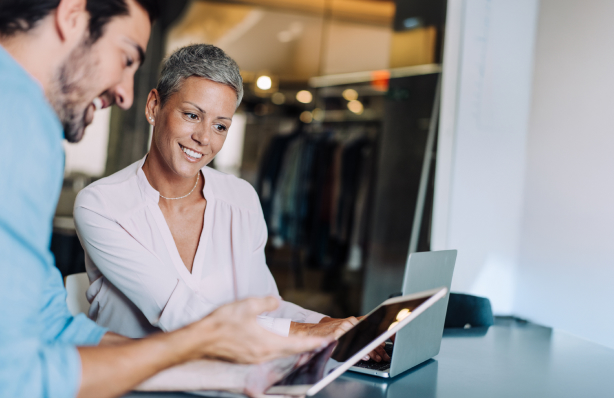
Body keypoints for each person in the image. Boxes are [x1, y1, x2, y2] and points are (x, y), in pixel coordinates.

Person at [0, 0, 327, 397]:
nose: (124, 94)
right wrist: (213, 349)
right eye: (125, 57)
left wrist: (228, 377)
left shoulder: (239, 197)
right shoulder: (21, 124)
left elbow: (53, 325)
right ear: (71, 15)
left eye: (221, 125)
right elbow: (15, 377)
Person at [72, 44, 387, 362]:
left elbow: (266, 304)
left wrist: (330, 325)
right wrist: (305, 333)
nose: (204, 138)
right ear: (154, 106)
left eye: (220, 125)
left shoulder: (241, 198)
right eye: (192, 115)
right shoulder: (101, 205)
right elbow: (181, 313)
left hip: (228, 382)